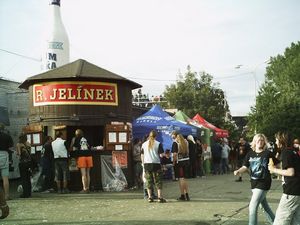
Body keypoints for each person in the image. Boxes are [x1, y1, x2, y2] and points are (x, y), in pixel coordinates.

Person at [234, 133, 279, 225]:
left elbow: (277, 164)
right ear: (254, 142)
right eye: (258, 140)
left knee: (252, 206)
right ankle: (276, 223)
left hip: (264, 182)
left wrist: (274, 169)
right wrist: (239, 171)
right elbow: (245, 166)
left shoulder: (268, 153)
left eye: (262, 140)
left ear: (264, 142)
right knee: (264, 206)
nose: (260, 142)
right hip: (254, 183)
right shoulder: (250, 154)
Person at [269, 132, 300, 225]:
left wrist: (273, 169)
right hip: (297, 190)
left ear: (281, 141)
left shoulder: (286, 152)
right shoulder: (293, 151)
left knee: (280, 221)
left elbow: (290, 172)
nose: (275, 142)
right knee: (295, 221)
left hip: (291, 191)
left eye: (276, 140)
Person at [141, 130, 166, 203]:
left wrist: (143, 164)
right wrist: (164, 155)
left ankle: (150, 197)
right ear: (156, 136)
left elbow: (142, 155)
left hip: (147, 164)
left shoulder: (144, 144)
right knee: (158, 181)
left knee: (149, 181)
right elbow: (161, 155)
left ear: (149, 136)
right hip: (156, 164)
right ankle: (160, 198)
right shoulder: (158, 144)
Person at [71, 129, 93, 193]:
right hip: (89, 156)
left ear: (76, 134)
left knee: (83, 174)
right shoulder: (87, 138)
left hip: (81, 157)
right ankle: (88, 188)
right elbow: (91, 147)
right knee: (88, 173)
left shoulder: (76, 139)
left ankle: (84, 189)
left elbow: (74, 148)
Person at [172, 132, 190, 201]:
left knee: (181, 179)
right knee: (184, 179)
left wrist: (173, 162)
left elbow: (174, 155)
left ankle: (183, 195)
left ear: (176, 136)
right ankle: (187, 194)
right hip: (186, 161)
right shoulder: (186, 142)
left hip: (179, 162)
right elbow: (188, 151)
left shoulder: (175, 143)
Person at [16, 133, 32, 198]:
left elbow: (19, 154)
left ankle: (25, 194)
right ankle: (29, 193)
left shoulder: (18, 144)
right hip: (29, 163)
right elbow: (30, 153)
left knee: (24, 178)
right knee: (28, 178)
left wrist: (17, 154)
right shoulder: (28, 143)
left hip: (23, 163)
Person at [0, 124, 13, 200]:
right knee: (5, 178)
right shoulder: (7, 136)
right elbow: (10, 147)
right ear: (3, 128)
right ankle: (7, 195)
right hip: (4, 155)